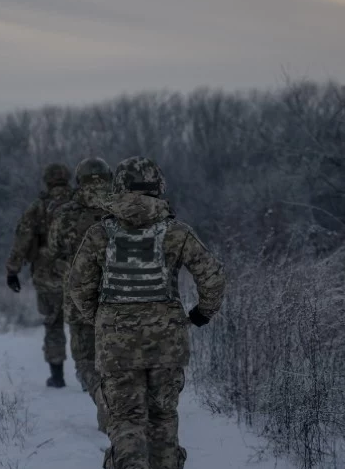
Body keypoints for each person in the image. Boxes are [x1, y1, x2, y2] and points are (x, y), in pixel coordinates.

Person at [67, 156, 226, 469]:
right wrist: (201, 314)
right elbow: (213, 276)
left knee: (126, 420)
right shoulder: (176, 232)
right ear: (159, 186)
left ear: (120, 187)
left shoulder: (100, 234)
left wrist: (99, 319)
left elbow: (77, 287)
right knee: (162, 418)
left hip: (116, 344)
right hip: (167, 343)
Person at [48, 157, 114, 431]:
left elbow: (53, 251)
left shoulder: (65, 213)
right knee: (114, 357)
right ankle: (118, 403)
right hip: (118, 298)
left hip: (78, 298)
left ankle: (101, 397)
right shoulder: (121, 208)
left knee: (86, 359)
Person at [6, 162, 74, 387]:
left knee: (53, 323)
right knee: (85, 325)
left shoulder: (38, 207)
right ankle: (89, 376)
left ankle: (57, 376)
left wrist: (13, 270)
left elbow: (22, 239)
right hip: (81, 273)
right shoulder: (81, 203)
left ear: (47, 180)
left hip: (47, 274)